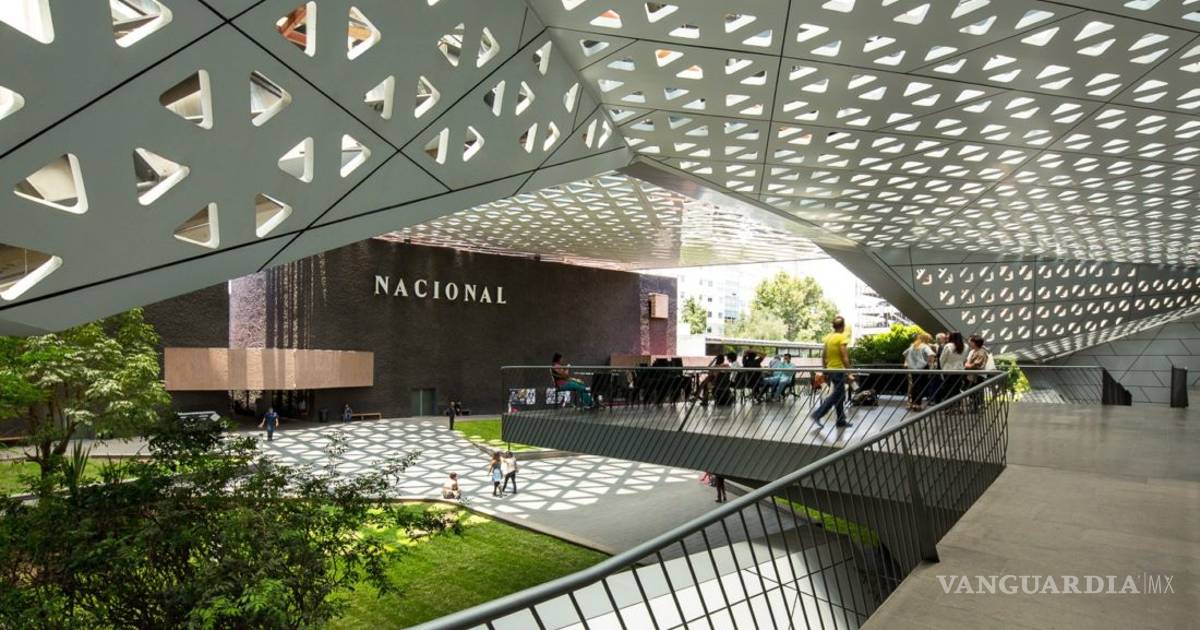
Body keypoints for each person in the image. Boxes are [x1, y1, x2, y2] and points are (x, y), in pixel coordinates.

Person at [811, 316, 853, 427]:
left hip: (830, 370)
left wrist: (825, 370)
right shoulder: (842, 338)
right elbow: (845, 358)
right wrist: (850, 372)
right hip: (838, 370)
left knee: (840, 395)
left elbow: (824, 355)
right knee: (837, 394)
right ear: (843, 326)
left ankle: (840, 420)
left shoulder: (828, 338)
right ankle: (818, 414)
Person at [903, 333, 936, 410]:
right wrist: (930, 363)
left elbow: (905, 353)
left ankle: (913, 403)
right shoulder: (925, 346)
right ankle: (918, 404)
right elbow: (931, 355)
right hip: (922, 368)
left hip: (912, 368)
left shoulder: (913, 346)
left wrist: (911, 362)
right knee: (921, 386)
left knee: (914, 385)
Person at [938, 332, 968, 401]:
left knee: (948, 388)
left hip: (948, 369)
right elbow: (964, 359)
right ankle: (957, 404)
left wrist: (942, 368)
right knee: (957, 388)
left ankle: (949, 405)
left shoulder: (948, 346)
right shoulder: (966, 346)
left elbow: (942, 359)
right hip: (960, 370)